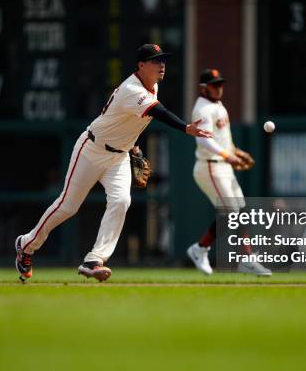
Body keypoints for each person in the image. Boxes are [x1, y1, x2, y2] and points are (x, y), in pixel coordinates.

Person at [15, 44, 213, 282]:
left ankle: (94, 259)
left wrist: (135, 147)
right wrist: (185, 128)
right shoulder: (131, 88)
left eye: (163, 60)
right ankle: (26, 244)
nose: (162, 65)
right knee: (68, 206)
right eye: (155, 60)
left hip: (119, 156)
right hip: (91, 149)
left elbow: (134, 121)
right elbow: (158, 112)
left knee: (121, 200)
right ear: (141, 65)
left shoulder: (153, 86)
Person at [186, 69, 272, 276]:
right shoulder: (203, 109)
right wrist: (226, 155)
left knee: (239, 212)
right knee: (233, 213)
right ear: (204, 88)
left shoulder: (218, 105)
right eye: (214, 85)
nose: (219, 88)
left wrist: (236, 152)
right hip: (210, 166)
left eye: (221, 84)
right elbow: (203, 139)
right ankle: (245, 259)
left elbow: (223, 137)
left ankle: (201, 249)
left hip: (221, 165)